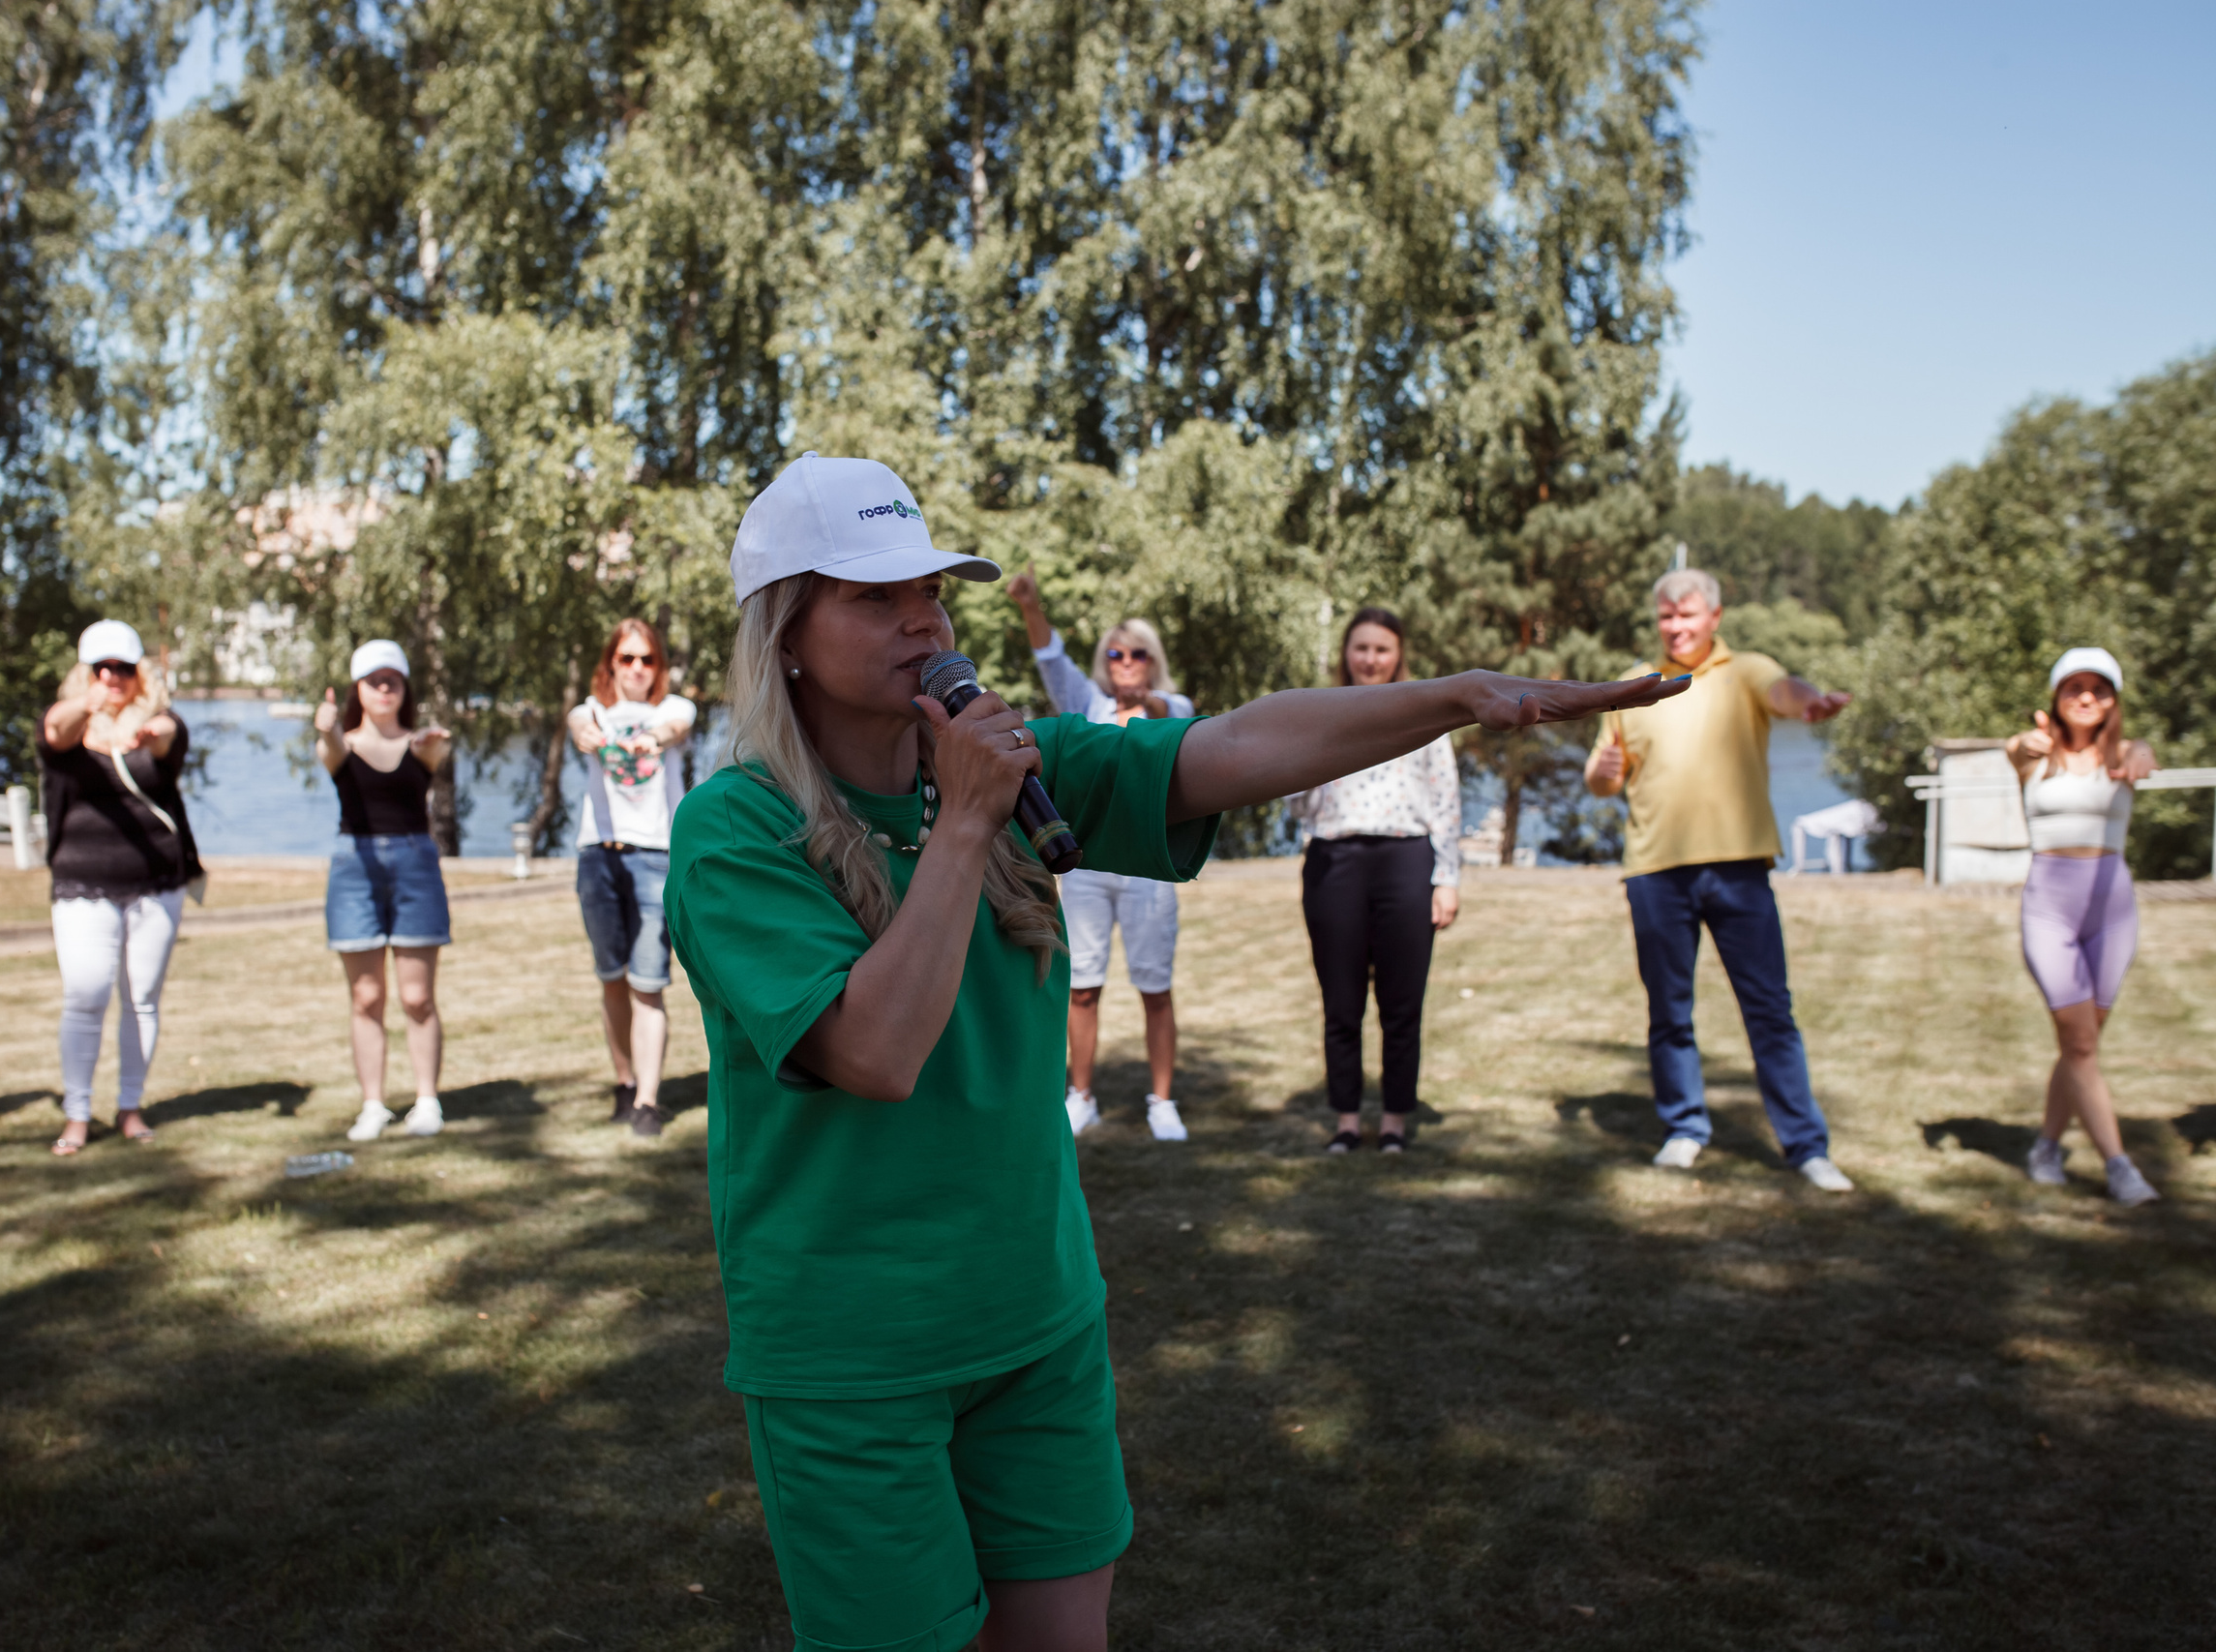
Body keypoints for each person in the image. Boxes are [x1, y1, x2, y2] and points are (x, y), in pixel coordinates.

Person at [664, 452, 1686, 1652]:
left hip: (1035, 1319)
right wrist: (967, 824)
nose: (923, 621)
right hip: (852, 1354)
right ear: (786, 632)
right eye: (873, 597)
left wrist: (1455, 697)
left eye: (930, 591)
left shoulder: (1018, 768)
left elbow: (1240, 746)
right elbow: (877, 1053)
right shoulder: (735, 829)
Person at [1583, 567, 1856, 1192]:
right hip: (1656, 870)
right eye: (1666, 616)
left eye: (1687, 615)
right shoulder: (1634, 684)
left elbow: (1785, 691)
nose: (1676, 627)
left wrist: (1810, 702)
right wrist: (1602, 770)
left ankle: (1806, 1146)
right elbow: (1604, 779)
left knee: (1770, 1010)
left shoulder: (1747, 670)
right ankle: (1683, 1127)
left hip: (1739, 868)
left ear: (1715, 617)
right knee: (1668, 1010)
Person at [1006, 569, 1192, 1140]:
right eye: (1116, 653)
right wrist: (1031, 606)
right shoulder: (1087, 703)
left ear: (1153, 660)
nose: (1126, 662)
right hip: (1086, 866)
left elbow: (1175, 717)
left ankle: (1162, 1102)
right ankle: (1080, 1096)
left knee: (1154, 986)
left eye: (1137, 653)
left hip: (1149, 872)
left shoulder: (1173, 707)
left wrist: (1147, 702)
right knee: (1082, 986)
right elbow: (1050, 659)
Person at [1292, 609, 1461, 1155]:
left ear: (1398, 654)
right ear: (1346, 653)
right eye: (1361, 648)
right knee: (1341, 1002)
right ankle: (1346, 1120)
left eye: (1382, 649)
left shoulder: (1423, 712)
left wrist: (1447, 879)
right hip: (1334, 861)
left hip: (1406, 861)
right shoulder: (1321, 712)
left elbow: (1446, 799)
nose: (1370, 659)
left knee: (1401, 1002)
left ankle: (1393, 1123)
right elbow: (1295, 800)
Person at [37, 620, 201, 1155]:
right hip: (82, 884)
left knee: (142, 999)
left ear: (140, 674)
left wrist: (152, 732)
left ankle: (131, 1107)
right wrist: (90, 705)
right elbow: (54, 731)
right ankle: (77, 1114)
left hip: (155, 884)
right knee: (85, 994)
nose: (113, 677)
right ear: (85, 673)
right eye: (102, 668)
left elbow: (172, 733)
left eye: (124, 668)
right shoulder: (69, 723)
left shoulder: (155, 723)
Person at [2007, 646, 2160, 1206]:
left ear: (2113, 700)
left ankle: (2046, 1148)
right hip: (2050, 909)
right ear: (2056, 696)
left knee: (2082, 1045)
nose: (2087, 697)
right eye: (2075, 687)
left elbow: (2142, 756)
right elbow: (2014, 748)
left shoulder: (2124, 753)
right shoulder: (2034, 753)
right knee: (2079, 1043)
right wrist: (2023, 744)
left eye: (2099, 688)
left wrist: (2140, 754)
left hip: (2112, 911)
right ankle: (2120, 1167)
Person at [314, 640, 454, 1142]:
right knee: (367, 996)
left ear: (404, 688)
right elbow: (330, 748)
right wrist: (326, 726)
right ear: (359, 689)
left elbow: (437, 752)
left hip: (415, 866)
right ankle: (373, 1105)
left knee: (417, 997)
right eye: (374, 681)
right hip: (355, 869)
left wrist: (433, 742)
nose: (383, 688)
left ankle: (426, 1101)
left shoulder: (422, 745)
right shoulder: (341, 746)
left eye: (392, 679)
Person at [568, 617, 697, 1137]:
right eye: (627, 658)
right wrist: (587, 733)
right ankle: (624, 1083)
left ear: (659, 666)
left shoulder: (673, 708)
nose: (638, 668)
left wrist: (651, 738)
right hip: (598, 855)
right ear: (611, 665)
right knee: (612, 978)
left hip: (655, 857)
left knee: (648, 981)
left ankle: (647, 1101)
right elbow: (579, 726)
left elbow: (675, 728)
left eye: (648, 659)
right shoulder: (592, 710)